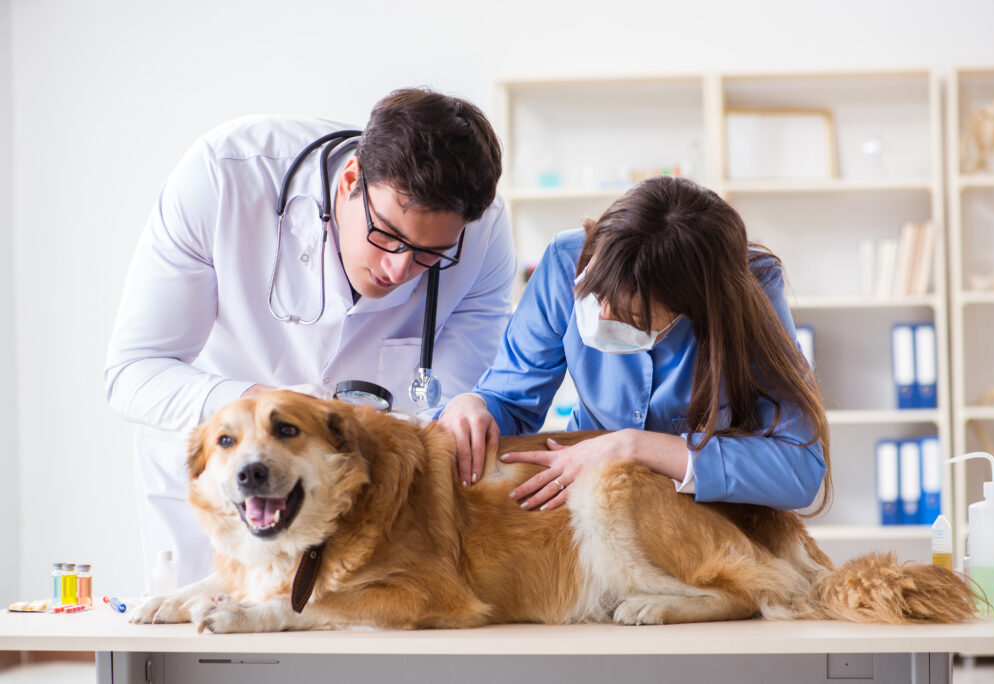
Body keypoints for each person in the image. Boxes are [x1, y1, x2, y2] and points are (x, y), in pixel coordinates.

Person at [105, 89, 515, 586]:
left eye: (430, 254)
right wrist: (259, 404)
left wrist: (468, 402)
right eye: (386, 234)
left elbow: (443, 410)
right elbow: (133, 372)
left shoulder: (483, 232)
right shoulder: (224, 175)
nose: (400, 268)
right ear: (350, 181)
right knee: (201, 645)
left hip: (360, 508)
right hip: (226, 491)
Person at [438, 175, 831, 514]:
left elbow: (800, 468)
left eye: (633, 316)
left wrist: (633, 447)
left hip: (701, 516)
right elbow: (510, 401)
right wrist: (474, 406)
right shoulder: (564, 260)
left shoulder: (752, 287)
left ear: (691, 310)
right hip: (587, 497)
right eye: (595, 293)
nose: (603, 316)